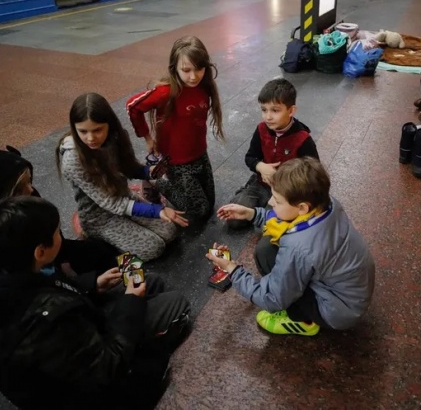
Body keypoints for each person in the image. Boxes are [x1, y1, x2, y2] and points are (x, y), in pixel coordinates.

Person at [0, 196, 190, 409]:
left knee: (151, 282)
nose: (61, 239)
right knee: (176, 303)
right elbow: (107, 366)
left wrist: (91, 285)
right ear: (40, 251)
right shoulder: (44, 318)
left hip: (76, 338)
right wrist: (131, 302)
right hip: (94, 389)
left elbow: (49, 287)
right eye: (56, 234)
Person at [210, 157, 375, 336]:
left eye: (278, 201)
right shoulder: (327, 204)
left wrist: (233, 270)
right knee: (267, 249)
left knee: (266, 253)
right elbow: (287, 219)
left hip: (336, 313)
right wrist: (252, 214)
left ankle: (303, 321)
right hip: (352, 294)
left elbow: (272, 298)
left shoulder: (299, 246)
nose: (271, 202)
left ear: (303, 207)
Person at [58, 93, 188, 262]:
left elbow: (130, 168)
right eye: (82, 131)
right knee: (154, 248)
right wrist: (156, 210)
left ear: (109, 125)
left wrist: (151, 171)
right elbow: (112, 204)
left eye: (97, 130)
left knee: (169, 231)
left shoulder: (117, 137)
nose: (90, 138)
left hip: (124, 198)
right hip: (99, 217)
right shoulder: (73, 159)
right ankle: (95, 237)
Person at [0, 145, 118, 275]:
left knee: (103, 252)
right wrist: (87, 285)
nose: (30, 189)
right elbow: (33, 282)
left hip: (53, 253)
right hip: (39, 272)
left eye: (29, 181)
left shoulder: (29, 197)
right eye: (19, 189)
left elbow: (57, 240)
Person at [126, 36, 224, 227]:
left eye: (199, 68)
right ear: (174, 68)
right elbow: (132, 106)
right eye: (186, 70)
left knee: (209, 205)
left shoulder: (204, 86)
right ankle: (154, 180)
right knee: (199, 211)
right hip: (177, 162)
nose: (194, 76)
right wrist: (147, 137)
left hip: (200, 155)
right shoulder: (166, 92)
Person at [226, 78, 319, 231]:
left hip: (287, 193)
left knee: (274, 228)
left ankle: (265, 210)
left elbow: (313, 174)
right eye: (264, 110)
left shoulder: (303, 139)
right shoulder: (262, 129)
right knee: (233, 220)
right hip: (261, 184)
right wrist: (260, 166)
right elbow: (250, 157)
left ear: (291, 111)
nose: (268, 117)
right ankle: (254, 200)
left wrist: (286, 184)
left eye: (275, 110)